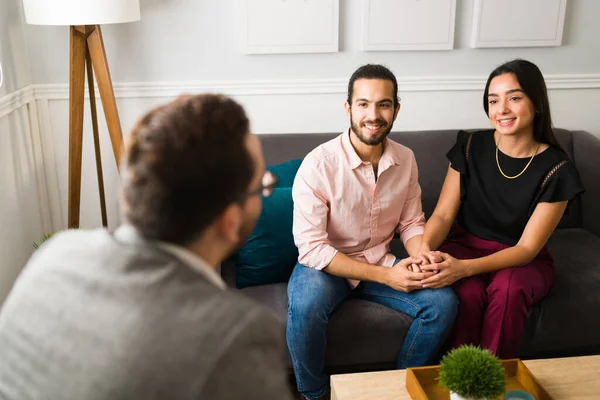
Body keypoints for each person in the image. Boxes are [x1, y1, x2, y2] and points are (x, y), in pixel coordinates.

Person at [0, 94, 294, 400]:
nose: (264, 193)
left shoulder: (54, 254)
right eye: (262, 186)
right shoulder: (233, 335)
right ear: (230, 220)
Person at [287, 64, 458, 400]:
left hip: (381, 257)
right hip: (328, 265)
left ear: (396, 109)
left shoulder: (406, 159)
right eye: (363, 104)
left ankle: (397, 388)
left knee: (443, 303)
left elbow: (411, 223)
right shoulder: (318, 164)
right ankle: (314, 395)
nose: (373, 114)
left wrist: (421, 255)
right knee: (306, 307)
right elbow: (311, 249)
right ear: (348, 108)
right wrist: (385, 276)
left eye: (383, 104)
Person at [416, 59, 585, 359]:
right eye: (493, 100)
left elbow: (527, 248)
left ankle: (490, 379)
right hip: (465, 245)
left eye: (514, 98)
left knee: (508, 290)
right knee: (466, 294)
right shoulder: (471, 146)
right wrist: (425, 250)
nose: (502, 109)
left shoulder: (558, 169)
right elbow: (442, 214)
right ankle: (457, 381)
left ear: (537, 103)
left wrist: (463, 269)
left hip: (519, 260)